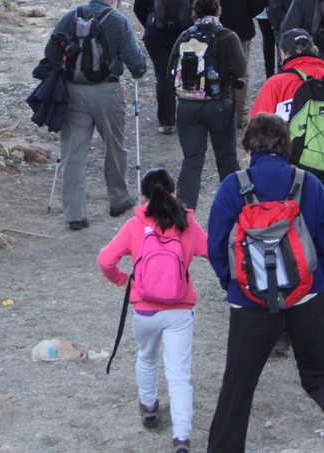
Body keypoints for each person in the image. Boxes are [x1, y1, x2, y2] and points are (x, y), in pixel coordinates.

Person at [205, 114, 324, 453]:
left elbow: (216, 247)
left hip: (250, 303)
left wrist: (235, 286)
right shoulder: (308, 183)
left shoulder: (233, 187)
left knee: (237, 386)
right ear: (287, 145)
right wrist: (316, 282)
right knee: (323, 373)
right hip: (306, 297)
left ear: (249, 146)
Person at [98, 168, 208, 453]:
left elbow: (105, 260)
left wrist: (123, 281)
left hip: (144, 311)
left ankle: (149, 408)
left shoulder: (134, 225)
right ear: (174, 193)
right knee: (179, 374)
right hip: (179, 311)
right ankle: (181, 437)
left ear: (141, 197)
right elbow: (216, 254)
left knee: (147, 358)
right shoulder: (188, 224)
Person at [43, 0, 148, 230]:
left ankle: (75, 214)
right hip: (107, 91)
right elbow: (135, 62)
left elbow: (50, 53)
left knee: (73, 153)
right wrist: (139, 68)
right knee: (115, 145)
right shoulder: (118, 21)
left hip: (72, 92)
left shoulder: (70, 16)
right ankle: (119, 198)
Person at [249, 29, 324, 218]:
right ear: (314, 50)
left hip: (286, 182)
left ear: (283, 53)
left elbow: (255, 139)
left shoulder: (275, 85)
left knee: (290, 234)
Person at [166, 0, 246, 210]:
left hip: (188, 106)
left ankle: (183, 213)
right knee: (227, 159)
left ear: (194, 12)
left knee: (192, 161)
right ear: (218, 10)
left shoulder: (185, 36)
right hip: (219, 104)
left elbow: (169, 74)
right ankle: (238, 209)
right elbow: (240, 68)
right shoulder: (228, 36)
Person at [193, 0, 266, 129]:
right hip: (242, 29)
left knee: (212, 69)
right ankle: (240, 115)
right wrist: (248, 13)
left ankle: (216, 112)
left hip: (212, 31)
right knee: (240, 73)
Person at [133, 0, 196, 136]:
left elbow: (138, 6)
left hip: (156, 35)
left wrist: (151, 24)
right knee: (188, 74)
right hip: (185, 34)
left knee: (163, 76)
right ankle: (189, 119)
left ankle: (167, 122)